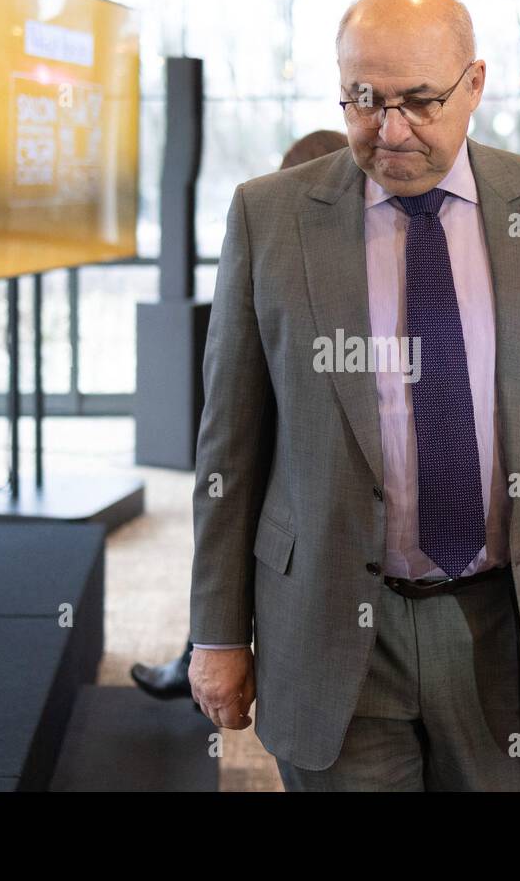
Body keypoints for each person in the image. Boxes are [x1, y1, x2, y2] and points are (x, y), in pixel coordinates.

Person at [187, 0, 520, 791]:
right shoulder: (269, 218)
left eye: (419, 101)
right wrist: (217, 632)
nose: (391, 130)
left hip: (505, 616)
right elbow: (230, 443)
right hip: (335, 621)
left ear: (474, 85)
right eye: (365, 101)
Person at [131, 130, 350, 703]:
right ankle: (200, 647)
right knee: (235, 531)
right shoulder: (274, 236)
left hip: (314, 491)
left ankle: (199, 650)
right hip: (273, 467)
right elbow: (232, 414)